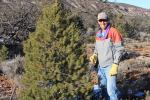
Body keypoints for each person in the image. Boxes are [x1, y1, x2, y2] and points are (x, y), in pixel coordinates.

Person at [90, 12, 124, 100]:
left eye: (104, 20)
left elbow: (120, 49)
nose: (102, 22)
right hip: (100, 68)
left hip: (110, 67)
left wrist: (115, 64)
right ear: (98, 21)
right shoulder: (98, 34)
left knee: (111, 91)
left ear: (107, 20)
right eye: (100, 20)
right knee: (104, 89)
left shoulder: (114, 31)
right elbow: (96, 48)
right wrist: (94, 55)